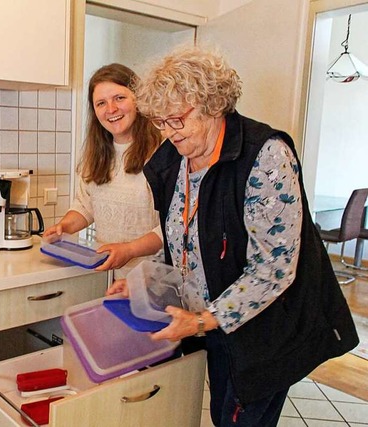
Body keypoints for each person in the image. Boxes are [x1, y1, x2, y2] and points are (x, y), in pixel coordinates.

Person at [108, 46, 359, 426]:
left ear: (212, 105)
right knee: (221, 411)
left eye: (176, 119)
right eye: (159, 121)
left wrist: (203, 320)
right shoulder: (176, 158)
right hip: (209, 321)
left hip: (263, 327)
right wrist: (144, 286)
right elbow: (183, 239)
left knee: (240, 417)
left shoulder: (266, 155)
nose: (168, 132)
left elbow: (273, 269)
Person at [43, 63, 163, 278]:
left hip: (154, 280)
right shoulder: (97, 154)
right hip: (105, 275)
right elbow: (85, 205)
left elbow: (173, 226)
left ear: (138, 99)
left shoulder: (164, 153)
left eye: (119, 98)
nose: (111, 109)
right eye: (101, 103)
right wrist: (65, 226)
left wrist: (129, 250)